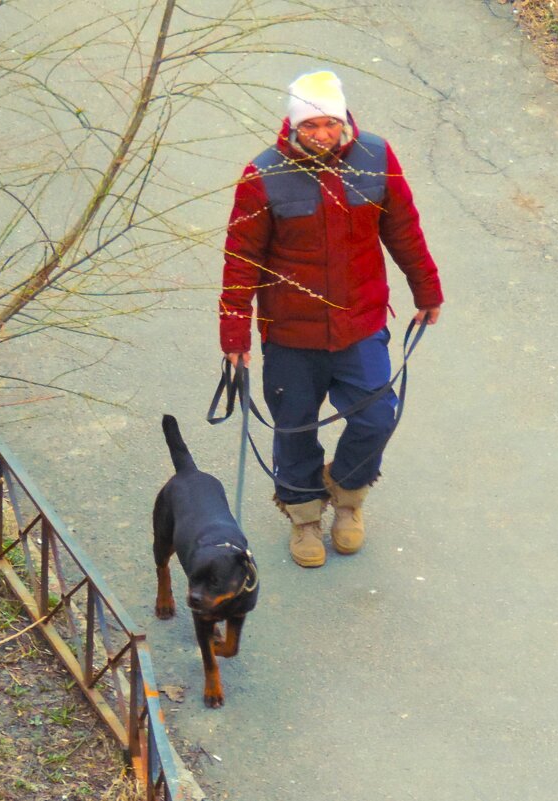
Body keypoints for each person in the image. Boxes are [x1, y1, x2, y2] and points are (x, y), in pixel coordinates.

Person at [219, 70, 443, 568]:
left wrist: (426, 288)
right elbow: (240, 261)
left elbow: (403, 228)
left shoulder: (376, 157)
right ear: (293, 125)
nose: (322, 134)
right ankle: (303, 517)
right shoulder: (263, 176)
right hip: (290, 334)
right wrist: (234, 332)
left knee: (376, 416)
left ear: (344, 120)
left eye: (330, 123)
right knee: (294, 427)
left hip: (360, 326)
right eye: (311, 125)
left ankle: (346, 497)